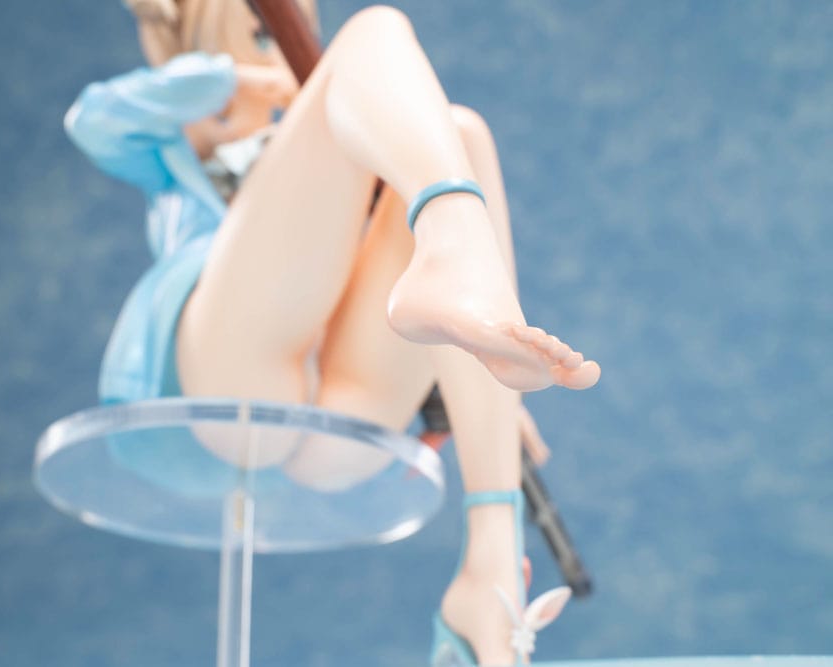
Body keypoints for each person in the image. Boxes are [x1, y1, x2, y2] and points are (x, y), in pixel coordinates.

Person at [65, 1, 601, 664]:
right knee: (374, 33)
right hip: (225, 380)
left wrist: (486, 398)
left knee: (458, 132)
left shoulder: (343, 144)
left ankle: (488, 574)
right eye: (260, 34)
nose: (274, 52)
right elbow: (96, 120)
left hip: (340, 415)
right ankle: (453, 243)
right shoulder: (167, 149)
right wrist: (232, 79)